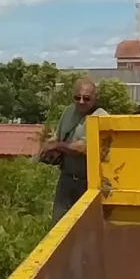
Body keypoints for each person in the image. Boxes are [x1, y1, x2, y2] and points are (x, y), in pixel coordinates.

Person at [41, 78, 107, 224]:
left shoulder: (101, 116)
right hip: (66, 179)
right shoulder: (69, 111)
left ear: (95, 98)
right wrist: (47, 147)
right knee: (59, 225)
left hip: (89, 184)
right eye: (77, 97)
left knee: (86, 227)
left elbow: (83, 148)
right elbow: (57, 136)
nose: (81, 101)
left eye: (86, 98)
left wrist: (57, 145)